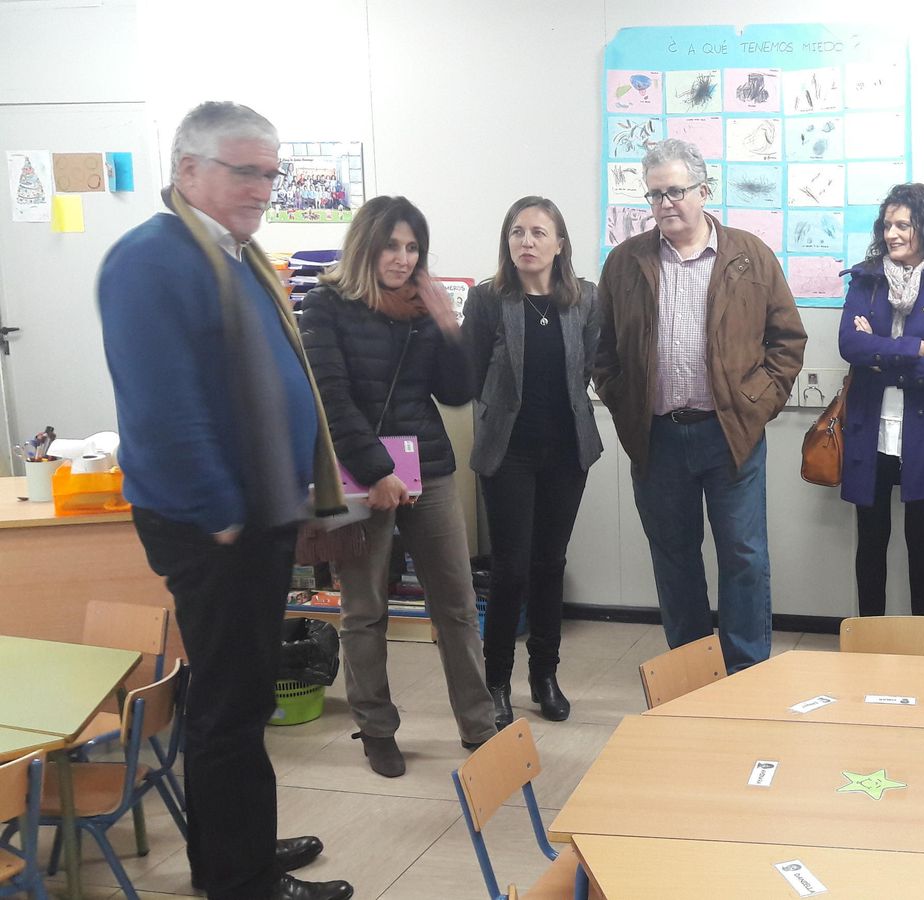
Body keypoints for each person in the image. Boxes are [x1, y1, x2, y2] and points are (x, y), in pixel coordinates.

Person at [98, 101, 353, 900]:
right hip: (216, 526)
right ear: (186, 169)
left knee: (235, 700)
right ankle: (239, 882)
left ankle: (236, 850)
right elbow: (163, 410)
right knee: (231, 707)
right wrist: (227, 516)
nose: (263, 187)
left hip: (257, 515)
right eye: (246, 170)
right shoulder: (150, 259)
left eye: (271, 172)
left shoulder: (233, 254)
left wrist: (296, 502)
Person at [300, 196, 497, 778]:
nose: (403, 259)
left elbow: (458, 391)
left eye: (413, 248)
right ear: (367, 243)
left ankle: (479, 726)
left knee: (457, 604)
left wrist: (447, 324)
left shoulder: (420, 304)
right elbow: (330, 398)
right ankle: (377, 729)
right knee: (365, 608)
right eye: (392, 245)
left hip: (427, 466)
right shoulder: (325, 305)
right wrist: (374, 470)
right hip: (362, 475)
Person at [594, 138, 806, 674]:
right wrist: (626, 405)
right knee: (674, 560)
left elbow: (786, 339)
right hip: (658, 438)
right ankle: (691, 673)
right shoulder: (625, 263)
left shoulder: (749, 254)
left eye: (676, 191)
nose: (666, 203)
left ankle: (746, 672)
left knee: (743, 558)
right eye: (656, 194)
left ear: (704, 191)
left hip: (729, 434)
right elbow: (604, 350)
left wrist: (756, 405)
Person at [462, 196, 603, 726]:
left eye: (539, 232)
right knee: (510, 570)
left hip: (567, 451)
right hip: (508, 453)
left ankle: (544, 676)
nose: (527, 242)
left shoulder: (584, 300)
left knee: (550, 566)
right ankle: (495, 682)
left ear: (559, 244)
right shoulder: (487, 300)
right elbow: (471, 373)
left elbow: (588, 366)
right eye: (517, 232)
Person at [837, 183, 924, 617]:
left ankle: (923, 643)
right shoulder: (866, 278)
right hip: (868, 431)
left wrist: (879, 348)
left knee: (922, 543)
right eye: (887, 224)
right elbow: (849, 346)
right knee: (871, 542)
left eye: (903, 225)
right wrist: (915, 348)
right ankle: (869, 638)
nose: (891, 233)